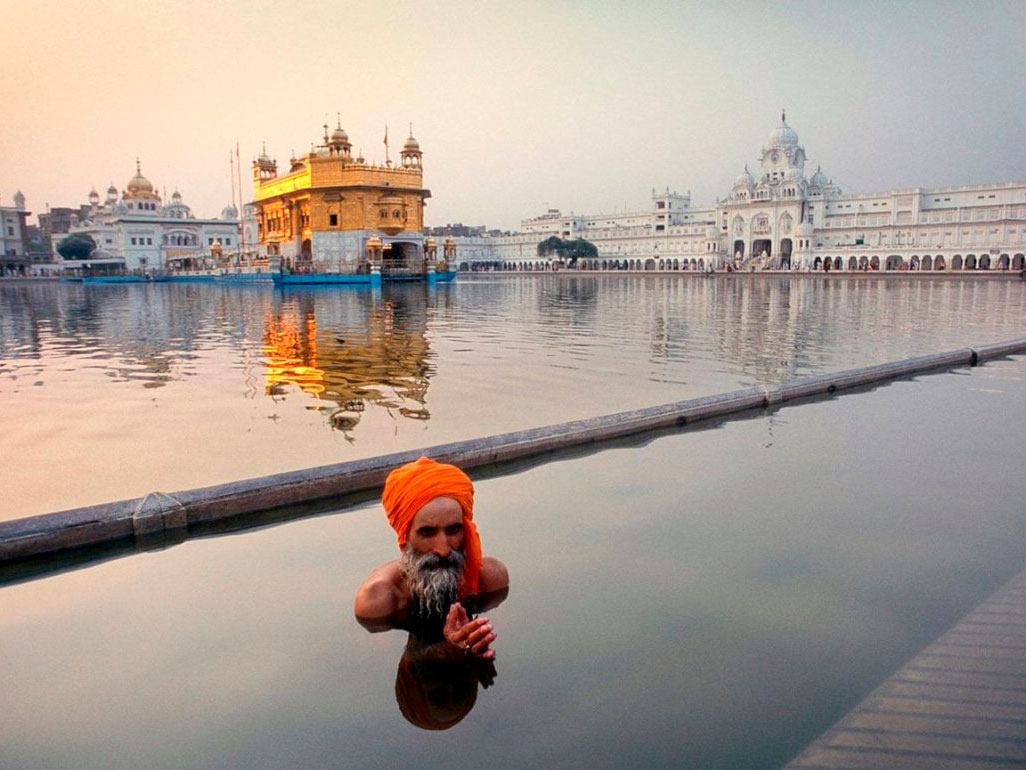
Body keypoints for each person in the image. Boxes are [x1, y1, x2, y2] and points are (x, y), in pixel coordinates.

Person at [355, 456, 509, 658]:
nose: (443, 550)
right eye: (427, 532)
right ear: (405, 537)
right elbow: (384, 667)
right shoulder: (379, 600)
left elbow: (508, 641)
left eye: (454, 530)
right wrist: (448, 650)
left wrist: (478, 638)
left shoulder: (490, 578)